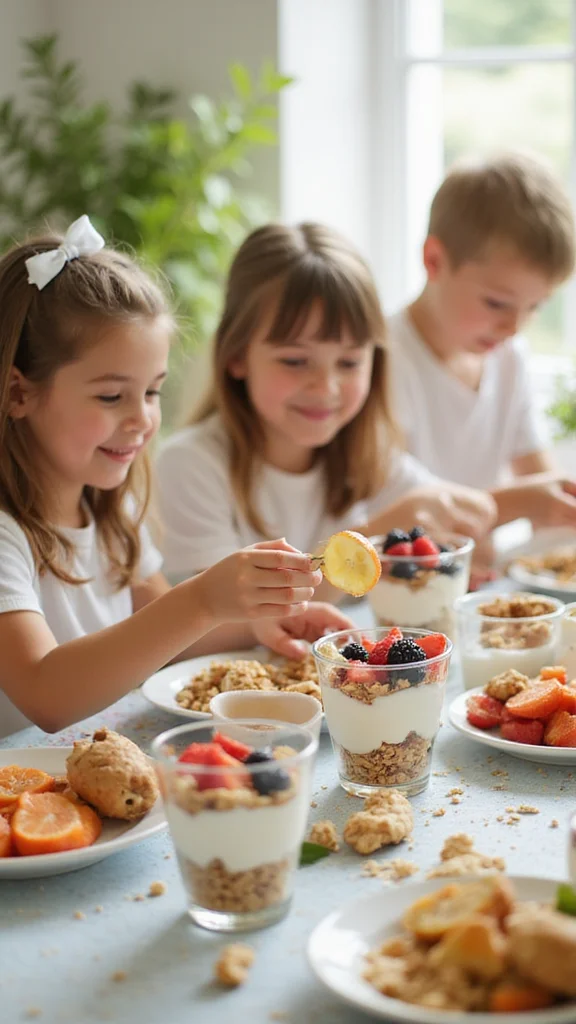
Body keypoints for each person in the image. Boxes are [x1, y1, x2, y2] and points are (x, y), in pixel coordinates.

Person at [0, 216, 352, 738]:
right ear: (18, 393)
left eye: (152, 392)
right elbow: (46, 695)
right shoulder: (7, 535)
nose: (142, 418)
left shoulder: (110, 513)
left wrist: (258, 622)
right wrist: (203, 598)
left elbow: (166, 635)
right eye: (111, 395)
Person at [156, 222, 495, 591]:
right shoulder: (190, 466)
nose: (326, 386)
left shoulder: (368, 458)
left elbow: (445, 511)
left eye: (348, 363)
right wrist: (373, 535)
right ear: (237, 355)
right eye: (295, 361)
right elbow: (216, 618)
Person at [387, 152, 576, 562]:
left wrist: (558, 503)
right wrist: (526, 501)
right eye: (497, 303)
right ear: (434, 261)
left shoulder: (510, 358)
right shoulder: (377, 360)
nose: (515, 327)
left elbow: (543, 484)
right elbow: (399, 518)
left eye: (535, 308)